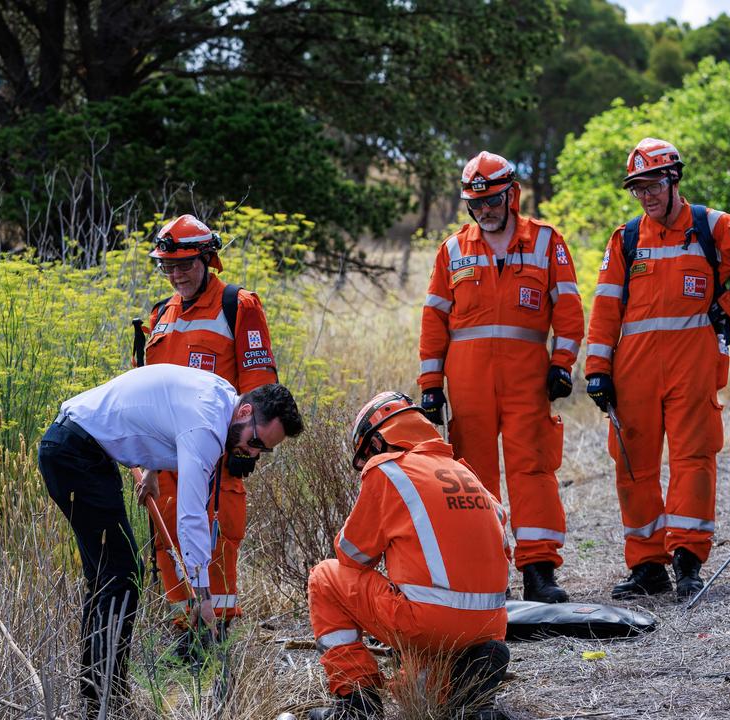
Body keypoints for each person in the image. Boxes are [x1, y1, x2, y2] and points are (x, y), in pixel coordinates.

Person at [584, 137, 730, 599]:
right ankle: (647, 566)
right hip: (633, 369)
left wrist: (728, 305)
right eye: (638, 188)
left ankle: (688, 560)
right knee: (632, 466)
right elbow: (605, 309)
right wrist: (597, 367)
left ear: (674, 179)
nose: (647, 195)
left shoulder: (710, 226)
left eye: (653, 184)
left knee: (693, 460)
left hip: (692, 362)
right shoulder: (626, 239)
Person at [38, 365, 303, 713]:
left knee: (109, 579)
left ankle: (98, 697)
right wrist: (202, 596)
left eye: (261, 451)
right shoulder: (208, 426)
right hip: (74, 454)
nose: (251, 454)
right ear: (246, 411)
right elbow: (191, 516)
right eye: (254, 442)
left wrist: (152, 468)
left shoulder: (221, 396)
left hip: (83, 450)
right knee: (120, 578)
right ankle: (106, 701)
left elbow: (164, 414)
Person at [417, 151, 584, 603]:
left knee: (533, 467)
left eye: (491, 200)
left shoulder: (547, 242)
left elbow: (569, 311)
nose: (485, 210)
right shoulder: (452, 250)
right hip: (467, 380)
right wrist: (431, 383)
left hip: (527, 377)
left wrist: (561, 364)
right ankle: (486, 573)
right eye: (476, 204)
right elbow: (434, 320)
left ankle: (539, 572)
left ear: (512, 195)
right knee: (472, 476)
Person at [306, 391, 510, 720]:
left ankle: (357, 704)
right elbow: (501, 540)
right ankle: (473, 679)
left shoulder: (388, 470)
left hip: (427, 622)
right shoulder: (465, 473)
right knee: (410, 688)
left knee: (325, 577)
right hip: (491, 622)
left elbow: (352, 554)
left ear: (375, 443)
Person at [140, 213, 278, 645]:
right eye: (168, 267)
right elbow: (143, 391)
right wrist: (143, 461)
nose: (177, 275)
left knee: (218, 536)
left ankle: (217, 634)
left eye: (184, 265)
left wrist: (244, 448)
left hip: (214, 453)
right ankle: (186, 633)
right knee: (166, 538)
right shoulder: (160, 315)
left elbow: (260, 387)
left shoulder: (237, 305)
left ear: (207, 259)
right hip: (164, 455)